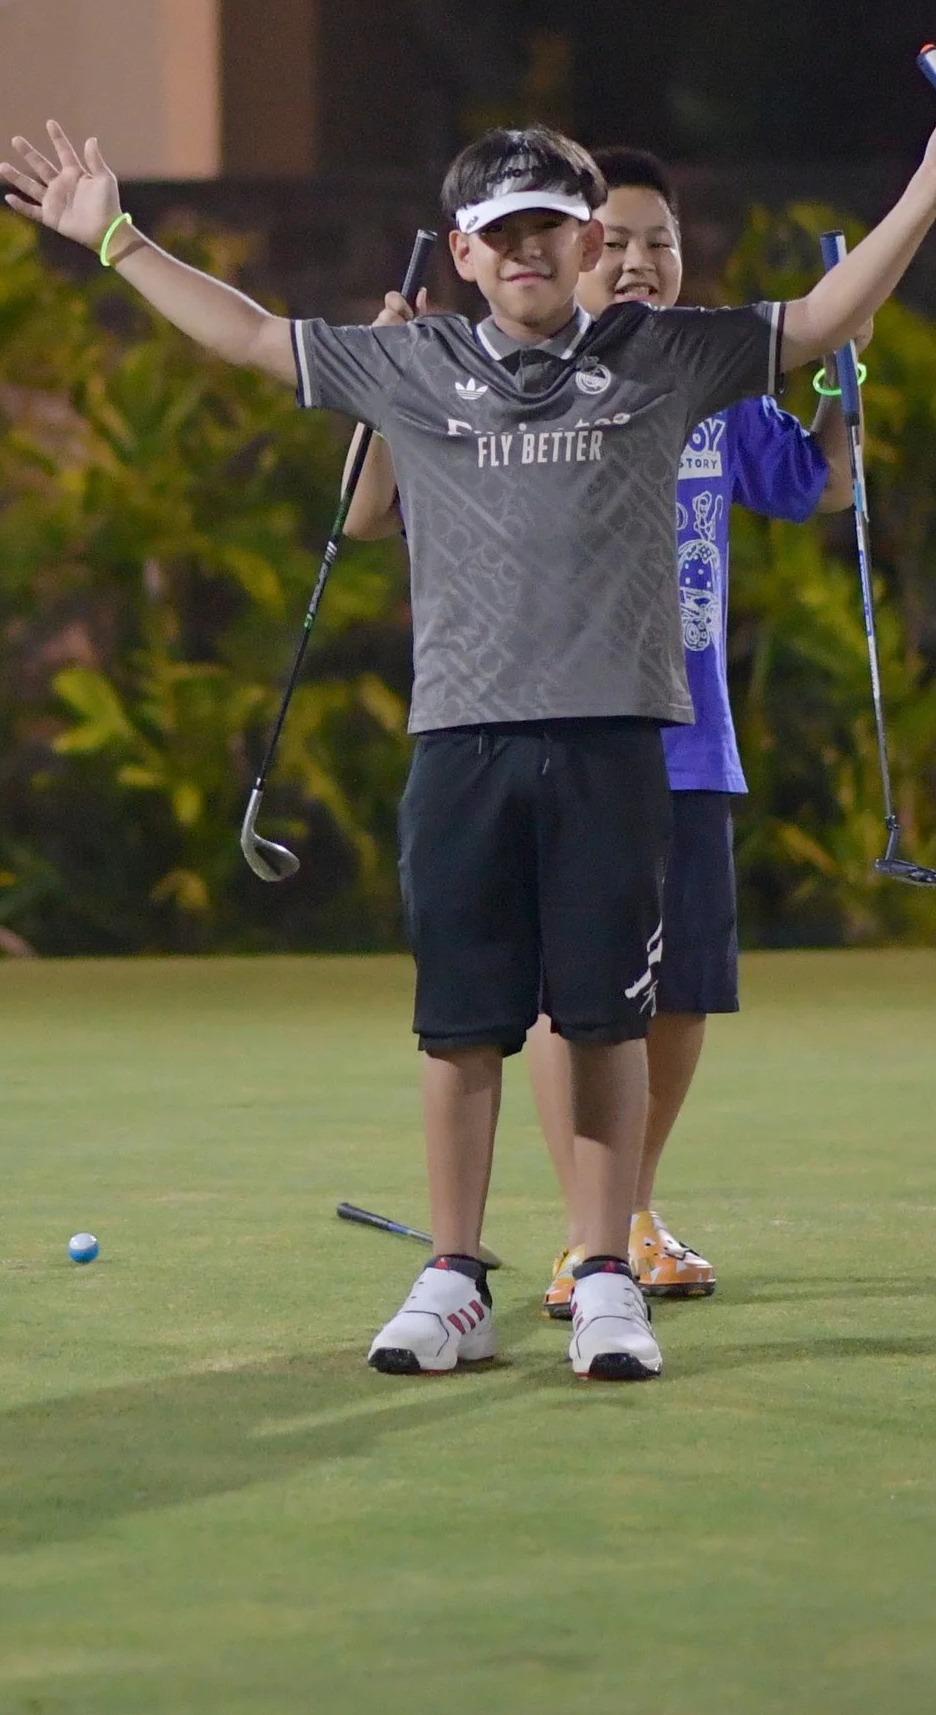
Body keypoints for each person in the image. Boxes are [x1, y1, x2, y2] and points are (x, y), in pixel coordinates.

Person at [0, 99, 936, 1386]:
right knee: (460, 1027)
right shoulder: (412, 363)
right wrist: (116, 241)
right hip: (462, 742)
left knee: (603, 1022)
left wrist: (927, 188)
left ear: (587, 241)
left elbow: (818, 323)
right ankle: (453, 1278)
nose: (529, 250)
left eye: (550, 228)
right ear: (463, 252)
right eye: (502, 233)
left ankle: (602, 1273)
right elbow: (250, 335)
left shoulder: (663, 353)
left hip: (614, 741)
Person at [343, 146, 856, 1319]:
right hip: (555, 727)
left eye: (657, 243)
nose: (636, 262)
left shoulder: (705, 384)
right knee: (564, 997)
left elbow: (816, 484)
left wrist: (845, 383)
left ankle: (627, 1214)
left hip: (687, 734)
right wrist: (385, 382)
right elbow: (371, 513)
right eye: (614, 241)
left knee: (679, 992)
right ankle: (589, 1238)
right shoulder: (501, 389)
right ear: (570, 252)